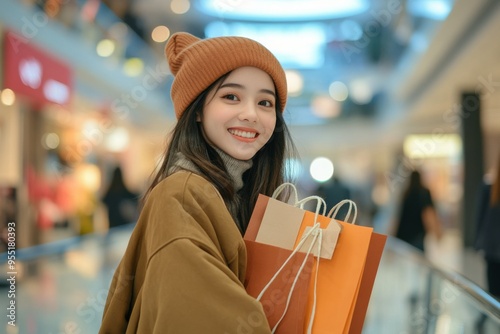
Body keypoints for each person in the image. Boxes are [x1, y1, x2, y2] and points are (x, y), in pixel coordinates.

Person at [99, 32, 296, 333]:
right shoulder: (181, 195)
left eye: (265, 102)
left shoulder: (241, 195)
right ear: (198, 110)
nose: (251, 114)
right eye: (231, 96)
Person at [394, 170, 442, 252]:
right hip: (416, 236)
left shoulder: (406, 194)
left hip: (402, 236)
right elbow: (428, 213)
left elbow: (398, 217)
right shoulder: (423, 193)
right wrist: (437, 233)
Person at [475, 153, 500, 299]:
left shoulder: (489, 188)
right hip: (492, 252)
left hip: (491, 251)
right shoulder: (489, 188)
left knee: (494, 295)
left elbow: (480, 219)